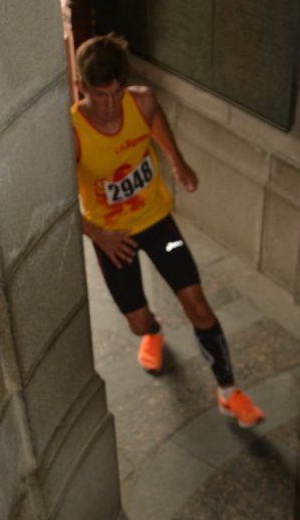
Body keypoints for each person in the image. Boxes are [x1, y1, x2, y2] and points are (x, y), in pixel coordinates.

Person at [71, 33, 264, 428]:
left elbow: (155, 122)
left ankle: (229, 392)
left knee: (197, 304)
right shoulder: (72, 133)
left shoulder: (141, 101)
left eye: (116, 92)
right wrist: (97, 235)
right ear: (81, 87)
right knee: (138, 323)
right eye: (99, 95)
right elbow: (55, 205)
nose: (110, 105)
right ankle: (154, 331)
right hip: (114, 239)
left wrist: (177, 161)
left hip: (158, 223)